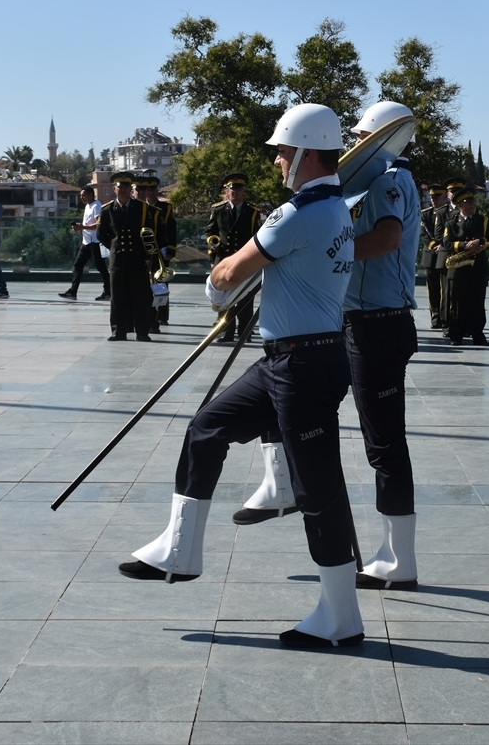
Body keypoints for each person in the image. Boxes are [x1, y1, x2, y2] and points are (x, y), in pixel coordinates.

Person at [118, 103, 364, 648]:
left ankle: (341, 617)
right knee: (207, 427)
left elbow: (227, 273)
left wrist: (216, 288)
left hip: (303, 363)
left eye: (281, 151)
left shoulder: (296, 213)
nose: (276, 161)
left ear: (303, 153)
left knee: (318, 488)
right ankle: (179, 550)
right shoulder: (337, 210)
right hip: (287, 358)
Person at [338, 101, 422, 590]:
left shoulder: (389, 179)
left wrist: (325, 249)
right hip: (369, 321)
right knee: (382, 441)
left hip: (378, 323)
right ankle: (394, 554)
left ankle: (399, 560)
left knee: (385, 443)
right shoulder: (380, 180)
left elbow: (387, 239)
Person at [207, 173, 264, 343]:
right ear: (227, 190)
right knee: (225, 299)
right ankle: (226, 331)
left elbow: (257, 235)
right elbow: (211, 232)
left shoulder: (252, 211)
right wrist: (212, 254)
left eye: (239, 189)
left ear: (243, 191)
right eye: (232, 189)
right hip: (223, 260)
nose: (235, 192)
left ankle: (245, 332)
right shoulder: (218, 209)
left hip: (244, 260)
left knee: (246, 298)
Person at [96, 172, 153, 342]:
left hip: (137, 259)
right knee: (118, 298)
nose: (123, 190)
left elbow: (149, 234)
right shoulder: (107, 210)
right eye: (120, 187)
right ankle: (118, 331)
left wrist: (149, 256)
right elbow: (101, 234)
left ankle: (142, 331)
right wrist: (114, 248)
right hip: (118, 261)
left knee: (140, 297)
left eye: (126, 187)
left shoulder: (142, 208)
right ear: (114, 189)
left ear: (130, 189)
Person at [443, 187, 489, 346]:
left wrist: (479, 241)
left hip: (478, 268)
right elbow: (447, 243)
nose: (472, 205)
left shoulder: (482, 220)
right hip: (458, 268)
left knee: (478, 303)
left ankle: (478, 335)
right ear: (460, 205)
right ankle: (456, 335)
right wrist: (465, 245)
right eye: (468, 203)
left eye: (473, 202)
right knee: (457, 304)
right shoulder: (451, 222)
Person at [137, 176, 176, 332]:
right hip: (143, 252)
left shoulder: (165, 208)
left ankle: (162, 315)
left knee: (161, 285)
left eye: (153, 189)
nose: (150, 192)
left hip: (161, 250)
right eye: (148, 189)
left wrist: (171, 249)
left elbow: (171, 229)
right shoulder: (140, 207)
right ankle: (147, 315)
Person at [59, 186, 111, 302]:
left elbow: (98, 225)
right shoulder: (88, 206)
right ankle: (73, 291)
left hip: (95, 242)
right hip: (86, 242)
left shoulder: (96, 206)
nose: (81, 198)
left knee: (101, 267)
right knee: (78, 265)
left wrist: (82, 227)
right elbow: (89, 223)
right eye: (81, 195)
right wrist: (80, 227)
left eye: (83, 195)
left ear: (90, 195)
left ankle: (108, 291)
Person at [419, 182, 449, 329]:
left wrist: (442, 246)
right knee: (433, 289)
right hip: (431, 255)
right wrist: (433, 246)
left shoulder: (449, 213)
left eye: (437, 197)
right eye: (432, 197)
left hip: (444, 255)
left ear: (444, 197)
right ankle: (435, 316)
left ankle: (445, 317)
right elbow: (423, 235)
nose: (433, 200)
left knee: (445, 289)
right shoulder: (426, 214)